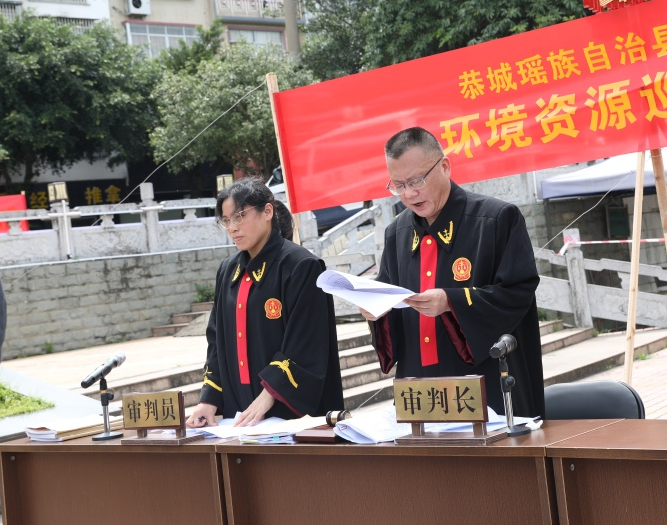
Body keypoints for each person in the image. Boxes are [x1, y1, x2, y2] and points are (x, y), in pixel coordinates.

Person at [359, 127, 544, 417]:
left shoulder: (496, 220)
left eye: (417, 181)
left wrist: (451, 301)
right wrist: (376, 311)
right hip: (418, 392)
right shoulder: (397, 233)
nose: (409, 194)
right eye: (398, 185)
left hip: (483, 387)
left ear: (444, 166)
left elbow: (518, 292)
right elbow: (389, 296)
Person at [187, 178, 343, 427]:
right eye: (226, 221)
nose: (232, 227)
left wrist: (270, 393)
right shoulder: (227, 270)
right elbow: (216, 342)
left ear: (267, 211)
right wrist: (208, 400)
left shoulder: (301, 266)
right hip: (239, 414)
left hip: (289, 411)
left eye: (239, 216)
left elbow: (307, 344)